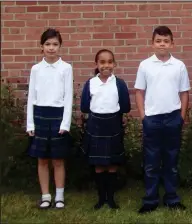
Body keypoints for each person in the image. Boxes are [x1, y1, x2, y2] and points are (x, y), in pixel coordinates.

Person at [134, 25, 190, 214]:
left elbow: (184, 93)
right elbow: (139, 92)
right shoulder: (145, 65)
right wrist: (143, 117)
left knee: (171, 162)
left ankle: (172, 199)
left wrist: (181, 117)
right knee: (151, 162)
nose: (162, 44)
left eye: (166, 41)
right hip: (152, 119)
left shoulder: (179, 65)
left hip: (173, 118)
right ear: (152, 43)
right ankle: (150, 200)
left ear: (172, 44)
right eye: (158, 41)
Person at [26, 28, 73, 209]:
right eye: (47, 44)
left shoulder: (66, 68)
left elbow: (68, 96)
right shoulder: (36, 69)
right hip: (40, 115)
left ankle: (59, 195)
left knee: (58, 159)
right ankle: (46, 195)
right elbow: (31, 97)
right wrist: (30, 122)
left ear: (60, 46)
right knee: (42, 159)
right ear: (41, 47)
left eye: (55, 44)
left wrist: (65, 123)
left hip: (58, 115)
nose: (51, 48)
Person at [80, 49, 131, 210]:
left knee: (112, 163)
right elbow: (84, 107)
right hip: (96, 124)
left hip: (113, 124)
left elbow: (126, 106)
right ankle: (101, 198)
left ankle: (111, 198)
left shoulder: (119, 84)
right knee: (99, 164)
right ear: (96, 64)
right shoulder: (91, 83)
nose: (106, 65)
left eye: (109, 62)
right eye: (102, 62)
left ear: (114, 64)